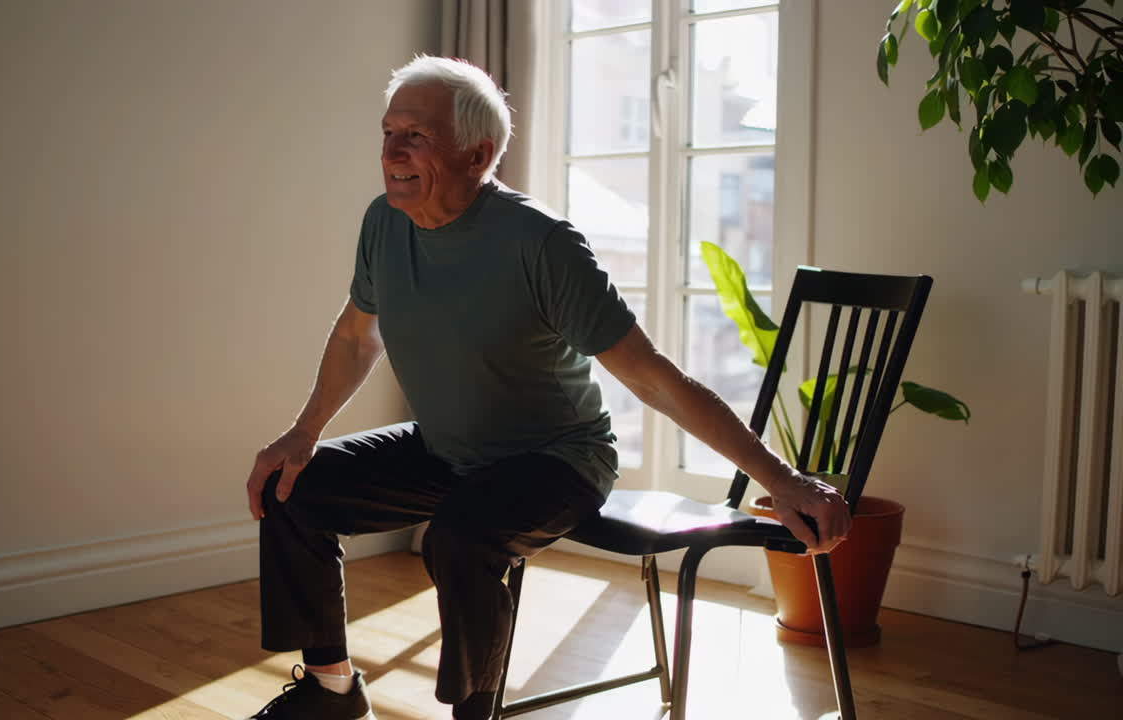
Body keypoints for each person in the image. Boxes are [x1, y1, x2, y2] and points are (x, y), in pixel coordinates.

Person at [243, 56, 851, 720]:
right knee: (291, 486)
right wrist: (303, 432)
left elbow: (653, 379)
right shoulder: (384, 225)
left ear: (477, 155)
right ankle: (330, 688)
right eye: (388, 131)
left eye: (415, 134)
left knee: (459, 534)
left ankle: (474, 713)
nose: (392, 150)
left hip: (557, 460)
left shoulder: (542, 245)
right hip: (449, 451)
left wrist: (782, 477)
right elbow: (359, 335)